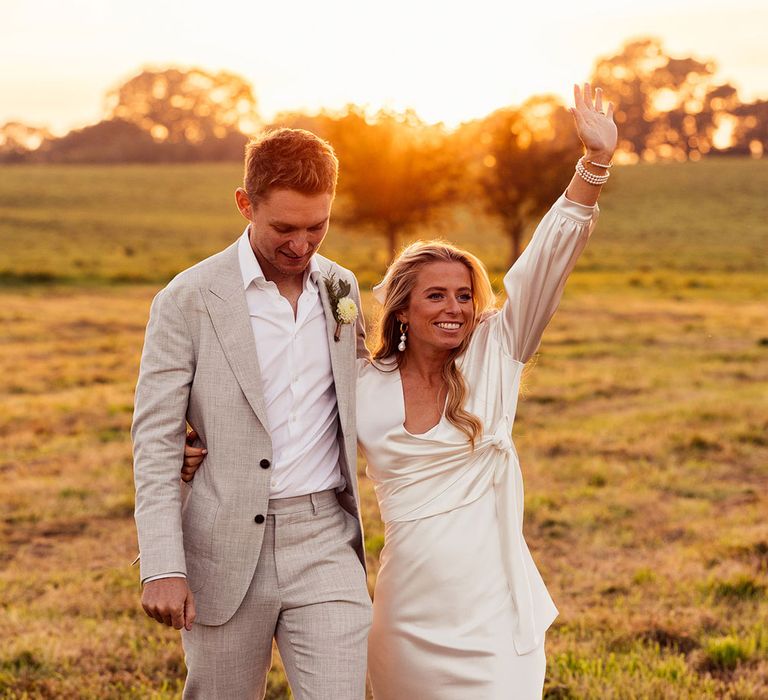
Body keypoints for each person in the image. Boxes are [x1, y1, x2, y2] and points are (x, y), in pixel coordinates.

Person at [184, 83, 616, 698]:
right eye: (436, 295)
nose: (455, 309)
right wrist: (196, 439)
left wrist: (592, 167)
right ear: (403, 309)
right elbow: (284, 412)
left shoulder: (497, 355)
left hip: (493, 613)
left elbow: (548, 260)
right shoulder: (363, 381)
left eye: (465, 295)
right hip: (405, 617)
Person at [131, 128, 372, 699]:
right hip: (223, 544)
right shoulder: (186, 299)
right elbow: (155, 438)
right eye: (284, 228)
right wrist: (162, 564)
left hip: (325, 538)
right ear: (245, 203)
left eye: (317, 226)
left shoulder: (342, 287)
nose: (302, 243)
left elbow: (372, 384)